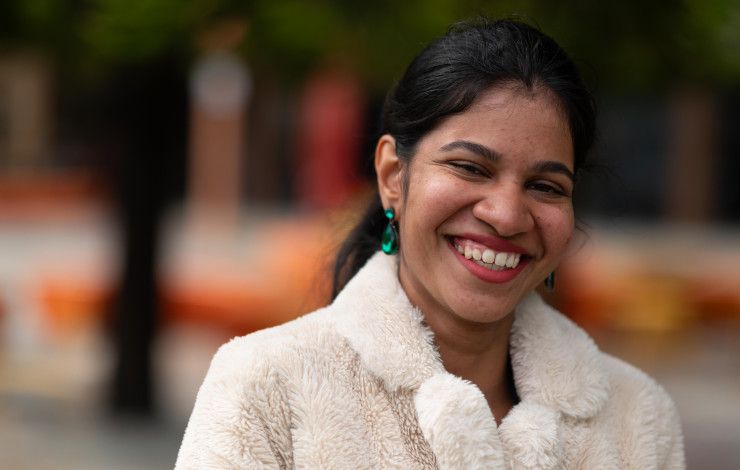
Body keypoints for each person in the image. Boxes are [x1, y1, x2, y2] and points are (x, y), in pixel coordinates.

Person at [176, 19, 685, 469]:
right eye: (470, 167)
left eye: (545, 186)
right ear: (393, 175)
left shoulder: (638, 417)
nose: (506, 216)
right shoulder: (266, 388)